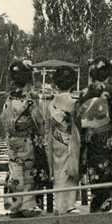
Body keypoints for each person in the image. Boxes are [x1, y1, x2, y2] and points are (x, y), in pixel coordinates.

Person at [76, 57, 112, 211]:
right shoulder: (111, 91)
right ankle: (105, 208)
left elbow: (78, 119)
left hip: (90, 140)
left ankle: (96, 206)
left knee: (95, 175)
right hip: (107, 140)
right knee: (110, 176)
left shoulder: (84, 92)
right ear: (108, 73)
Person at [0, 60, 49, 217]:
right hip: (27, 140)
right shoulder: (31, 99)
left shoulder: (9, 98)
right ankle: (28, 206)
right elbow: (39, 122)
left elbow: (3, 119)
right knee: (29, 173)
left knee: (15, 172)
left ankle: (14, 206)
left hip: (12, 141)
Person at [46, 66, 81, 214]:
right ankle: (68, 205)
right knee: (70, 170)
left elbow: (47, 124)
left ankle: (59, 204)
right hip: (70, 139)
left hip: (55, 138)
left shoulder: (52, 102)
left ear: (56, 83)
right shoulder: (74, 102)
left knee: (58, 171)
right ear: (73, 83)